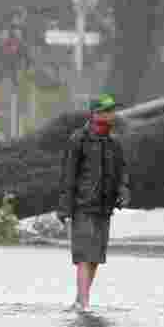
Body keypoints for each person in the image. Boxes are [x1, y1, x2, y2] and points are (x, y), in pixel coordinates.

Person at [56, 92, 131, 312]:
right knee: (84, 255)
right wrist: (64, 207)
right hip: (82, 205)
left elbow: (122, 171)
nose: (112, 115)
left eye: (112, 110)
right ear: (95, 114)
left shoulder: (114, 142)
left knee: (96, 257)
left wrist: (123, 190)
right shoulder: (78, 140)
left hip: (105, 207)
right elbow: (68, 174)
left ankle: (81, 298)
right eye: (107, 111)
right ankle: (84, 303)